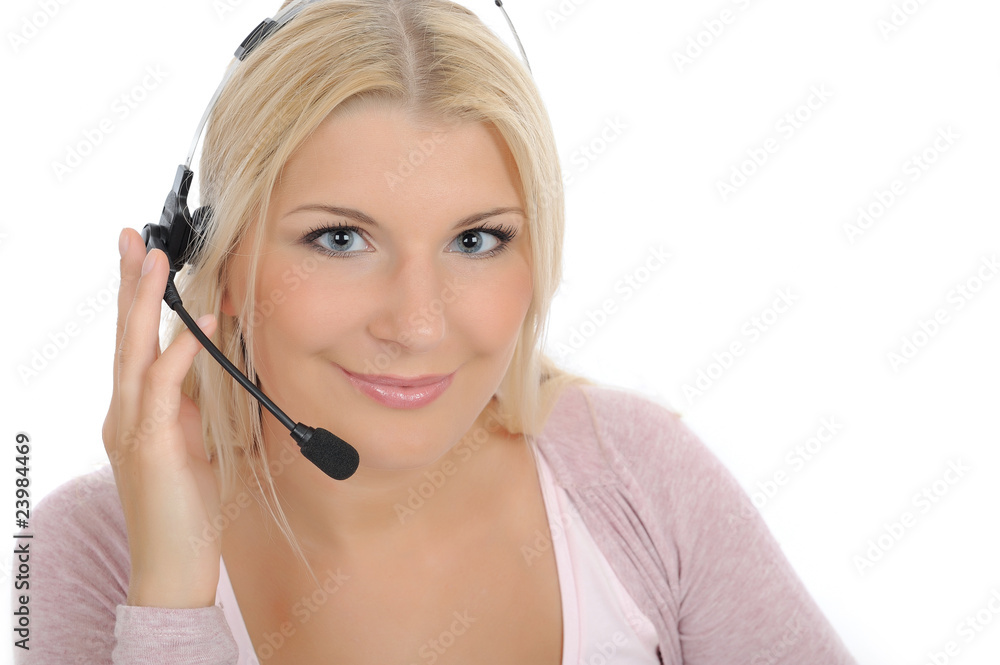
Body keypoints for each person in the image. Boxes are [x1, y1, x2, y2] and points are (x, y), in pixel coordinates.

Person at [15, 0, 858, 663]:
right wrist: (169, 598)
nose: (417, 324)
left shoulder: (635, 473)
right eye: (339, 239)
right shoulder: (82, 552)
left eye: (476, 240)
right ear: (220, 261)